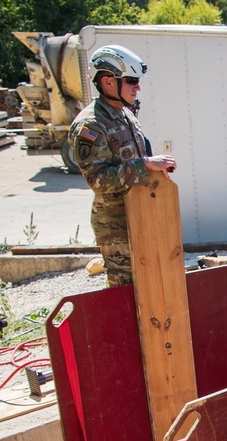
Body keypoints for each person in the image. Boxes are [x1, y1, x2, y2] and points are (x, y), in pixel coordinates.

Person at [68, 45, 177, 287]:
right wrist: (145, 165)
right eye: (131, 80)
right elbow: (97, 180)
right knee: (126, 289)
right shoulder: (91, 124)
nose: (137, 87)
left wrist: (152, 168)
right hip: (116, 226)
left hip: (140, 215)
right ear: (108, 82)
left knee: (150, 286)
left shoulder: (124, 115)